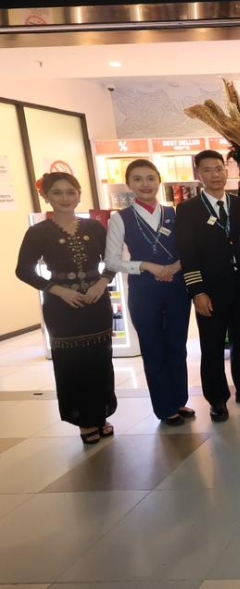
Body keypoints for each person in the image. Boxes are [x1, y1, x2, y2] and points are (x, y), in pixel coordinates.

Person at [16, 173, 117, 444]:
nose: (65, 198)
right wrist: (57, 290)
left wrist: (103, 282)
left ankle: (101, 414)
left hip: (97, 301)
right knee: (71, 364)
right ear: (47, 197)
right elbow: (23, 271)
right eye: (57, 193)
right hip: (61, 306)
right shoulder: (38, 232)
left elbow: (113, 260)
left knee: (100, 359)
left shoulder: (94, 228)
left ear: (79, 195)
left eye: (70, 192)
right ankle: (83, 420)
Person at [177, 149, 240, 423]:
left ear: (226, 172)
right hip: (211, 291)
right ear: (198, 175)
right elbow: (187, 254)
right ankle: (217, 399)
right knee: (213, 346)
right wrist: (198, 292)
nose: (215, 175)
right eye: (207, 170)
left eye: (219, 169)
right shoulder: (188, 209)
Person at [105, 159, 193, 426]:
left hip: (177, 286)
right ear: (129, 183)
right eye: (138, 179)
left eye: (150, 178)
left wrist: (177, 265)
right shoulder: (120, 218)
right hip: (144, 289)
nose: (145, 184)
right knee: (153, 348)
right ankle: (165, 408)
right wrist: (145, 265)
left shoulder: (175, 213)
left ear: (159, 180)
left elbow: (190, 248)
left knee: (177, 346)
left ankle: (179, 400)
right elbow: (111, 260)